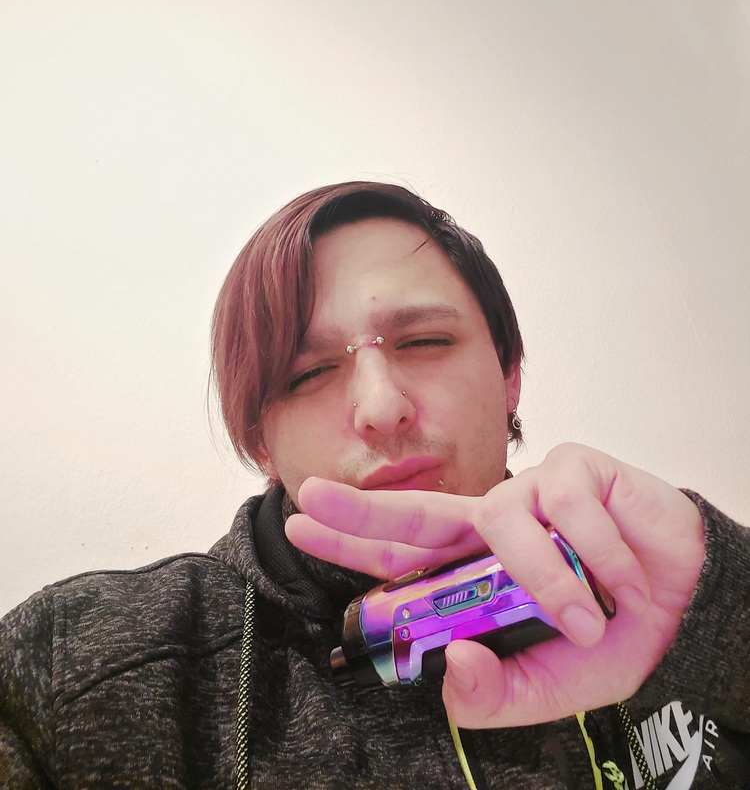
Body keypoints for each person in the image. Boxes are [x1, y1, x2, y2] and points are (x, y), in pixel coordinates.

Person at [1, 180, 748, 789]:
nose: (382, 406)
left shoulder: (652, 573)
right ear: (260, 441)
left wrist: (721, 616)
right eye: (307, 373)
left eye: (425, 340)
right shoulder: (82, 670)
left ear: (509, 374)